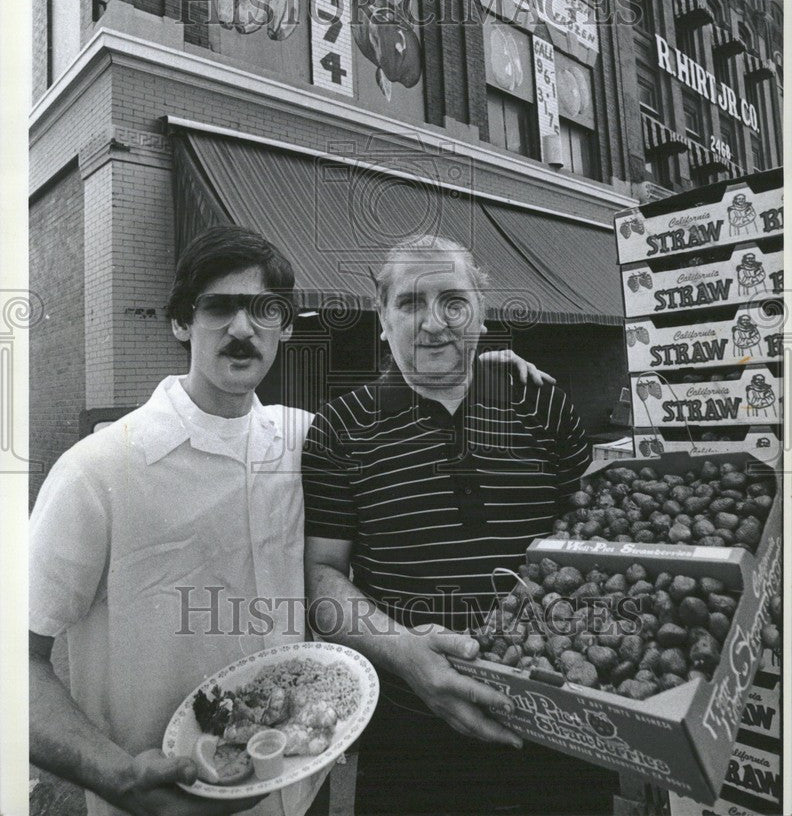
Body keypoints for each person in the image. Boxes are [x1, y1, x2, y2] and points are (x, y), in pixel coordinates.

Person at [29, 225, 549, 816]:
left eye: (265, 310)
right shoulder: (97, 471)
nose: (243, 328)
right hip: (165, 797)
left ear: (287, 328)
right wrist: (116, 775)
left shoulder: (307, 438)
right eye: (219, 307)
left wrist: (475, 371)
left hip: (304, 790)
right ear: (180, 322)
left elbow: (401, 405)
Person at [302, 235, 620, 816]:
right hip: (412, 751)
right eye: (409, 303)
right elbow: (320, 578)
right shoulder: (338, 428)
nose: (433, 324)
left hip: (566, 733)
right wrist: (402, 652)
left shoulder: (541, 402)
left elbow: (603, 540)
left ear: (482, 308)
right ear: (382, 319)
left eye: (453, 300)